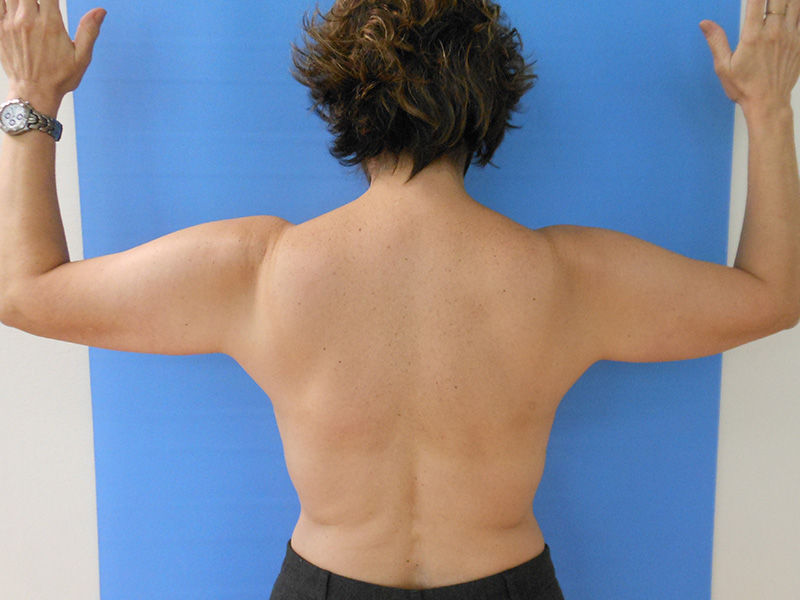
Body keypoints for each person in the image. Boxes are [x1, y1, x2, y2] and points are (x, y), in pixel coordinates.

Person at [1, 0, 799, 598]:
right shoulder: (566, 279)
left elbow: (27, 290)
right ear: (493, 105)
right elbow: (770, 296)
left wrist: (32, 100)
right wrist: (768, 109)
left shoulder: (258, 271)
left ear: (337, 99)